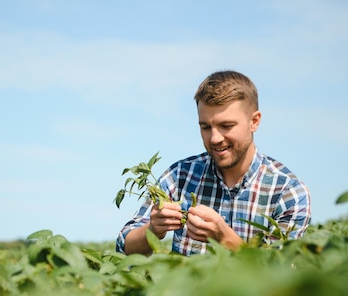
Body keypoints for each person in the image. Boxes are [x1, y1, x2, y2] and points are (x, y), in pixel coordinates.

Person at [116, 70, 311, 256]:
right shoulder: (180, 176)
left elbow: (285, 272)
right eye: (206, 127)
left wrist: (225, 238)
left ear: (255, 121)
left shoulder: (287, 192)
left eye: (226, 126)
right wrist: (153, 230)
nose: (215, 138)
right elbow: (124, 247)